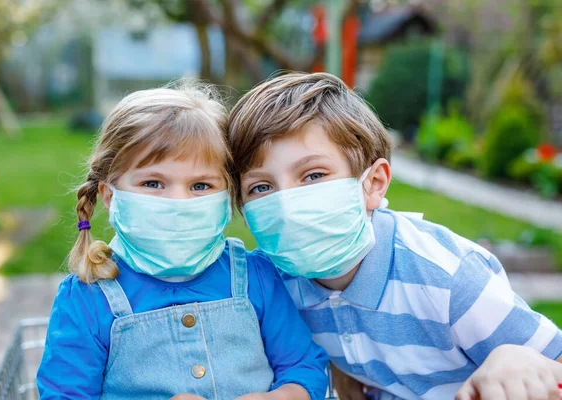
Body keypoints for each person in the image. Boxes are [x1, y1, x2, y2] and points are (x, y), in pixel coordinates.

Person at [226, 72, 562, 400]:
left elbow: (553, 361)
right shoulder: (278, 281)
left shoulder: (445, 277)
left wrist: (514, 356)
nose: (287, 205)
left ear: (373, 184)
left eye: (313, 175)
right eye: (262, 187)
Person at [36, 81, 328, 400]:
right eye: (153, 183)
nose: (179, 201)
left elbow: (303, 365)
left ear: (228, 194)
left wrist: (278, 397)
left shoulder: (257, 277)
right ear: (110, 196)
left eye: (200, 185)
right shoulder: (87, 299)